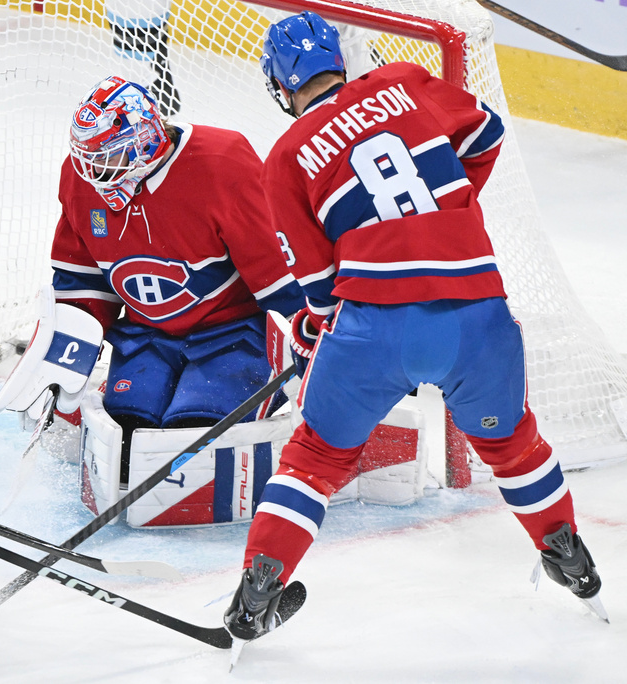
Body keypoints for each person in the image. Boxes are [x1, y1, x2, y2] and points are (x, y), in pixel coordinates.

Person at [223, 11, 604, 640]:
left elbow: (318, 288)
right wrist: (449, 207)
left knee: (316, 456)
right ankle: (568, 554)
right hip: (478, 311)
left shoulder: (286, 157)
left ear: (280, 84)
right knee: (511, 444)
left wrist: (315, 328)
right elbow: (486, 131)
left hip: (375, 327)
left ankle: (259, 585)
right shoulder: (402, 79)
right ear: (339, 60)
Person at [0, 75, 305, 507]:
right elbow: (81, 282)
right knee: (127, 435)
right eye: (88, 158)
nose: (93, 172)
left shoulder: (222, 162)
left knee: (190, 442)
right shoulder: (82, 179)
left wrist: (308, 344)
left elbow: (277, 274)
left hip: (231, 333)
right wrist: (62, 368)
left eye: (107, 157)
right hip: (146, 337)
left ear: (146, 141)